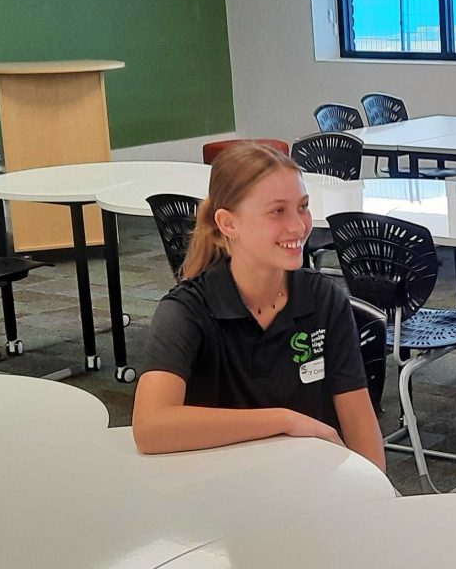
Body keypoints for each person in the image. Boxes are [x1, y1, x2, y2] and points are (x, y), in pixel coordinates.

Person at [132, 143, 386, 471]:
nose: (298, 226)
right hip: (217, 488)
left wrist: (377, 498)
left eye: (303, 207)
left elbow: (359, 424)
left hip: (307, 485)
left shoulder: (323, 298)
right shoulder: (186, 311)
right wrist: (283, 421)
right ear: (228, 223)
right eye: (277, 211)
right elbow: (151, 428)